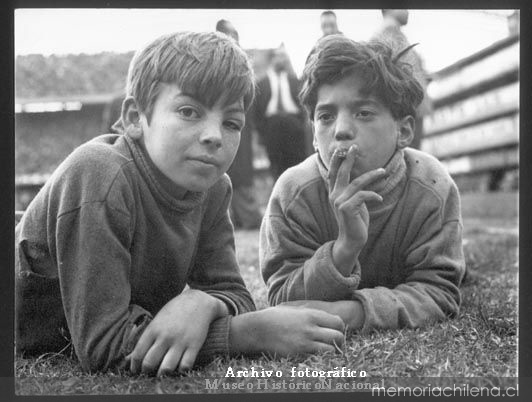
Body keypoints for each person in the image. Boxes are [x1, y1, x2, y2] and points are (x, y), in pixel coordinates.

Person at [15, 31, 346, 376]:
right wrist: (243, 334)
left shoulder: (214, 187)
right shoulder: (99, 173)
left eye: (231, 123)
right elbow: (105, 346)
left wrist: (201, 302)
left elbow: (234, 293)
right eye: (189, 111)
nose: (214, 135)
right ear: (133, 118)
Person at [260, 35, 465, 333]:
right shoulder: (293, 194)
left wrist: (352, 313)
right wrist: (344, 248)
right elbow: (282, 298)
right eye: (326, 116)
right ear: (315, 135)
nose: (341, 130)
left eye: (364, 113)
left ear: (404, 130)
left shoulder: (432, 187)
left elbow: (440, 291)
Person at [215, 19, 262, 229]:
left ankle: (247, 217)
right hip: (219, 124)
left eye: (235, 36)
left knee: (242, 173)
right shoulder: (214, 63)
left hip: (241, 126)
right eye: (229, 35)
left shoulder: (244, 66)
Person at [371, 9, 432, 149]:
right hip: (404, 111)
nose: (407, 11)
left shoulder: (396, 35)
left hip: (411, 110)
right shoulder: (385, 36)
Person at [254, 46, 308, 180]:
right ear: (272, 59)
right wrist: (262, 132)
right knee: (276, 167)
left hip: (293, 126)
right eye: (279, 56)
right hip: (272, 128)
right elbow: (256, 112)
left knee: (297, 165)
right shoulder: (261, 84)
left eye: (284, 56)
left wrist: (300, 124)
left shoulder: (294, 81)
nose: (282, 59)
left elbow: (303, 104)